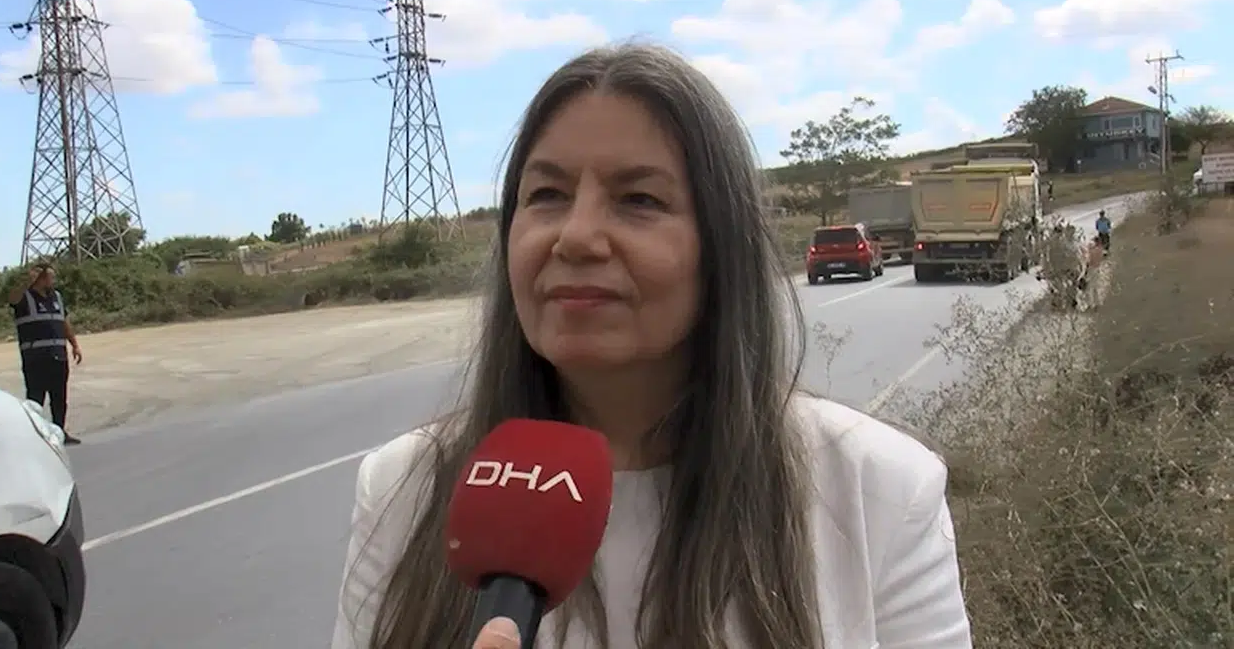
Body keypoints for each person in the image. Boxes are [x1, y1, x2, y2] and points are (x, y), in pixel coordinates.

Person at [331, 42, 971, 649]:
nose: (576, 237)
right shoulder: (402, 490)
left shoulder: (880, 491)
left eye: (639, 199)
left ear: (722, 248)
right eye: (546, 195)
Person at [7, 262, 84, 444]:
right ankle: (35, 437)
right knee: (35, 400)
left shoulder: (56, 297)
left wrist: (74, 344)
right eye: (50, 277)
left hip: (58, 356)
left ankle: (60, 432)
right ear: (40, 278)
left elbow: (64, 322)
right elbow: (11, 298)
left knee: (59, 398)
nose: (53, 280)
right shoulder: (24, 297)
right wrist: (27, 281)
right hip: (35, 359)